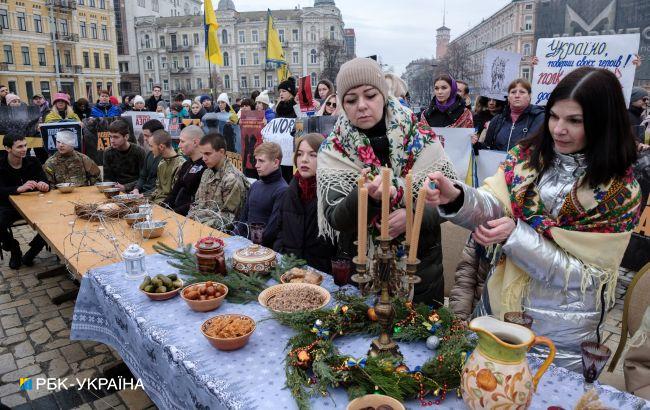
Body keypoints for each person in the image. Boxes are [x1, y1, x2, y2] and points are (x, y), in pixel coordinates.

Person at [424, 67, 641, 371]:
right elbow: (495, 205)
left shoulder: (619, 191)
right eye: (554, 116)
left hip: (559, 335)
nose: (558, 129)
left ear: (604, 122)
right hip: (498, 309)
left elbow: (587, 276)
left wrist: (514, 237)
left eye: (575, 121)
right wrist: (458, 197)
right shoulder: (526, 157)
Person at [317, 57, 457, 304]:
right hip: (362, 276)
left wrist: (413, 216)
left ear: (383, 94)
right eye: (351, 100)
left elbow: (448, 202)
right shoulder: (335, 148)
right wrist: (367, 197)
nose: (361, 106)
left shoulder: (419, 136)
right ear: (342, 104)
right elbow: (335, 217)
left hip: (421, 274)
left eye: (370, 95)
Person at [274, 133, 336, 273]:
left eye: (313, 155)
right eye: (300, 154)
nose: (304, 160)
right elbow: (280, 230)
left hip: (321, 275)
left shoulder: (333, 194)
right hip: (290, 269)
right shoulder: (289, 191)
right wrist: (282, 255)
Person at [0, 134, 49, 269]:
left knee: (55, 219)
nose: (24, 149)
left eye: (25, 145)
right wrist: (18, 188)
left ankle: (33, 251)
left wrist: (44, 185)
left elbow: (44, 180)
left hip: (34, 205)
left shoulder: (33, 161)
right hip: (9, 207)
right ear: (7, 148)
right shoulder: (1, 165)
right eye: (19, 147)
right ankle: (14, 249)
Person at [191, 132, 250, 231]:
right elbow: (197, 203)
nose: (204, 158)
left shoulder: (232, 178)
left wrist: (200, 226)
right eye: (202, 154)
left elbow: (229, 218)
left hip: (219, 233)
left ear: (222, 152)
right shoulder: (207, 172)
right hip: (199, 225)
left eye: (208, 154)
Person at [237, 142, 287, 246]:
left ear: (275, 163)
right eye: (256, 161)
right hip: (245, 243)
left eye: (261, 161)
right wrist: (235, 237)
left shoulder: (283, 190)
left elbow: (272, 231)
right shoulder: (255, 185)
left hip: (265, 250)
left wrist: (252, 246)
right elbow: (243, 217)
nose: (256, 165)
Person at [474, 79, 544, 151]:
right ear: (508, 97)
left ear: (529, 96)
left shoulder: (539, 118)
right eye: (513, 92)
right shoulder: (497, 120)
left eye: (522, 92)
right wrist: (475, 144)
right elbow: (487, 147)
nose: (517, 95)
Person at [163, 125, 206, 215]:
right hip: (173, 211)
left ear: (195, 142)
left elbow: (196, 201)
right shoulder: (186, 164)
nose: (179, 145)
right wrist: (162, 207)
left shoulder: (205, 167)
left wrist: (173, 213)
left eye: (182, 141)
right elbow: (175, 191)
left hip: (188, 216)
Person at [103, 119, 146, 192]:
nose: (112, 140)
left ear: (126, 137)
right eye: (110, 137)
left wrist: (126, 187)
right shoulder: (108, 153)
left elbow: (144, 178)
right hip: (115, 190)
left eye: (116, 137)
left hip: (136, 190)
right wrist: (114, 187)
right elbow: (107, 178)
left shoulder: (139, 151)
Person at [147, 130, 185, 204]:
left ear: (161, 147)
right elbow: (158, 189)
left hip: (166, 206)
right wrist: (146, 200)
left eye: (151, 146)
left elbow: (174, 195)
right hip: (156, 203)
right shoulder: (162, 163)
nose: (150, 149)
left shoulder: (181, 164)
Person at [132, 119, 164, 195]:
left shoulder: (166, 157)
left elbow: (161, 187)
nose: (145, 138)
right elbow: (143, 176)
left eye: (147, 135)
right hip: (142, 192)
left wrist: (143, 195)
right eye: (144, 135)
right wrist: (136, 189)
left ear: (157, 136)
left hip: (153, 196)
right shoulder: (149, 154)